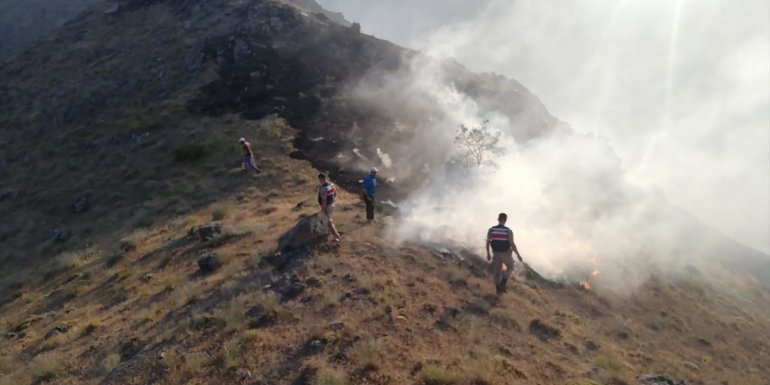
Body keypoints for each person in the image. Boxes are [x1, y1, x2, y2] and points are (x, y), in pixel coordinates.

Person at [486, 213, 523, 295]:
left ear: (498, 219)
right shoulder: (508, 231)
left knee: (497, 272)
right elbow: (512, 244)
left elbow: (487, 242)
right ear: (505, 220)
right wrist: (518, 255)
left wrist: (488, 254)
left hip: (496, 253)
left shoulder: (491, 230)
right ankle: (503, 283)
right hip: (506, 253)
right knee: (510, 267)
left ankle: (498, 292)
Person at [318, 173, 341, 243]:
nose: (319, 181)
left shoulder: (323, 188)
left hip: (327, 206)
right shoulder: (331, 184)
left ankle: (336, 236)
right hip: (331, 204)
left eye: (319, 179)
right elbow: (335, 194)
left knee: (329, 222)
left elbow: (324, 200)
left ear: (321, 179)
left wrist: (323, 210)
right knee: (327, 221)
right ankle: (330, 236)